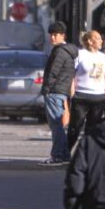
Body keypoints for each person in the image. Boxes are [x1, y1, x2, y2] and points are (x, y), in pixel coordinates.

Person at [40, 21, 79, 166]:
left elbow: (53, 72)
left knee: (56, 125)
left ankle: (57, 155)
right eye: (51, 35)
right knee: (59, 125)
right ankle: (65, 155)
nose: (52, 38)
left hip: (55, 91)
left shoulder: (59, 52)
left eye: (55, 35)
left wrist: (46, 89)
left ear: (63, 35)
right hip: (62, 90)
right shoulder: (69, 51)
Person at [67, 30, 105, 152]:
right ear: (90, 41)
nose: (101, 40)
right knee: (75, 127)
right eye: (97, 38)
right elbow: (72, 73)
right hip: (81, 96)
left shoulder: (103, 56)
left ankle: (87, 154)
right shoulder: (80, 54)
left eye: (101, 38)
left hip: (98, 97)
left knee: (93, 129)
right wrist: (72, 91)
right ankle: (67, 151)